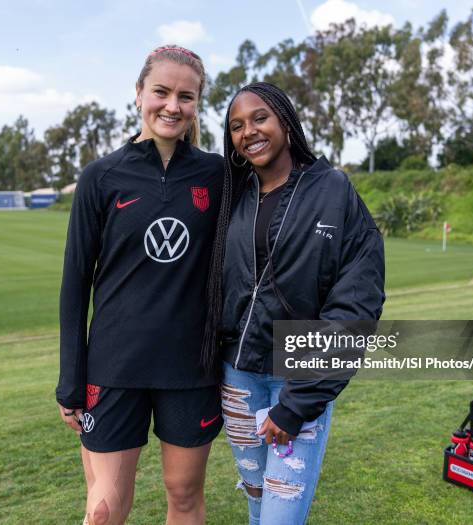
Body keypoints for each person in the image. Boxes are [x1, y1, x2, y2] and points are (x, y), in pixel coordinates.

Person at [202, 82, 385, 525]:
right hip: (238, 378)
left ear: (285, 120)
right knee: (257, 504)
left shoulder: (333, 189)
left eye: (260, 118)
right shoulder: (234, 195)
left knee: (281, 517)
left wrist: (299, 402)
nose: (249, 132)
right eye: (237, 126)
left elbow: (357, 301)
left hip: (297, 380)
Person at [57, 46, 224, 525]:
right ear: (138, 94)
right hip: (113, 367)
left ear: (196, 104)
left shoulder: (216, 174)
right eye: (162, 92)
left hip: (190, 368)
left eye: (186, 96)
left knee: (185, 496)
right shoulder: (101, 177)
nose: (172, 106)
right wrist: (71, 380)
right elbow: (74, 286)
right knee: (106, 508)